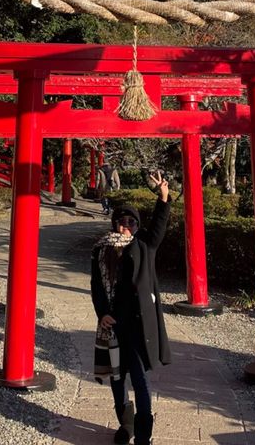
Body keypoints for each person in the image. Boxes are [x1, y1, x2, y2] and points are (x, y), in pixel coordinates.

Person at [90, 171, 171, 445]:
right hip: (113, 325)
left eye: (131, 222)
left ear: (137, 225)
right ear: (114, 223)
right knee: (116, 378)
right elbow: (96, 287)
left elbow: (159, 226)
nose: (126, 226)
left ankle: (144, 433)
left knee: (139, 379)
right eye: (121, 221)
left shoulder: (144, 246)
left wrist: (163, 198)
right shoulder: (101, 251)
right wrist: (102, 313)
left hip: (137, 325)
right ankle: (126, 426)